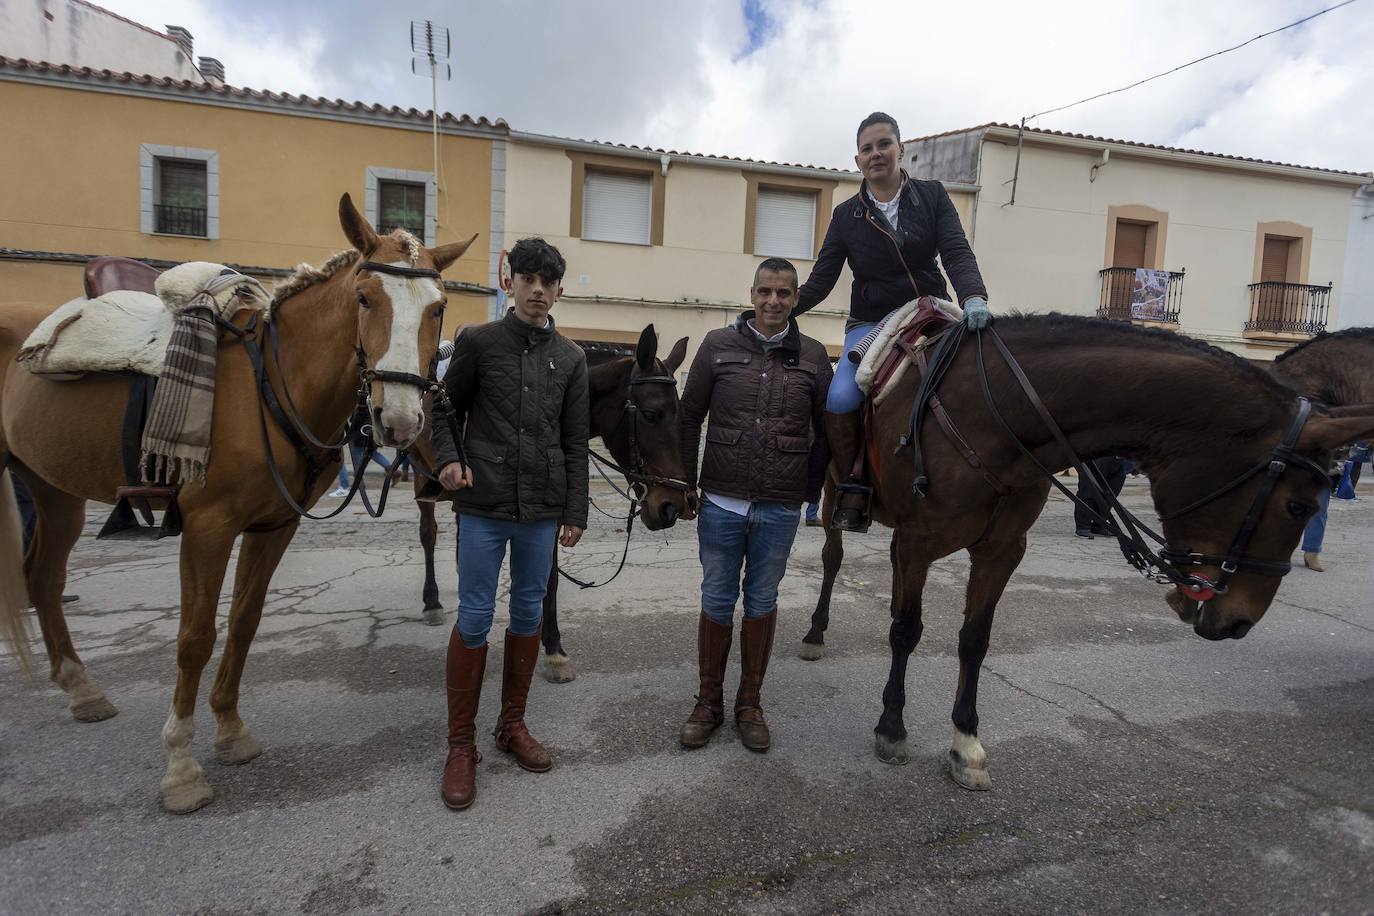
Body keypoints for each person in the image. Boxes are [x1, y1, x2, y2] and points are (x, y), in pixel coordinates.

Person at [430, 237, 589, 811]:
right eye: (528, 279)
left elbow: (575, 441)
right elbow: (445, 410)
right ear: (510, 282)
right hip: (484, 505)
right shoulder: (477, 342)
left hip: (542, 511)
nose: (538, 290)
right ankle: (459, 746)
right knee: (474, 615)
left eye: (548, 282)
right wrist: (448, 458)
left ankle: (511, 725)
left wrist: (575, 512)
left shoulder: (571, 358)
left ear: (559, 290)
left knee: (527, 613)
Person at [792, 112, 991, 532]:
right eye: (867, 149)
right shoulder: (847, 215)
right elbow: (822, 279)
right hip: (873, 321)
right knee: (841, 396)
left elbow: (955, 251)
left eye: (884, 144)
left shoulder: (933, 196)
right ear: (858, 159)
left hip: (930, 312)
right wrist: (779, 310)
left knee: (978, 378)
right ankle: (850, 488)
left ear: (901, 148)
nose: (876, 154)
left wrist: (973, 297)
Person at [677, 257, 832, 752]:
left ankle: (750, 704)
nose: (773, 301)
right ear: (752, 294)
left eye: (784, 294)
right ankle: (707, 703)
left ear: (794, 299)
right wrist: (685, 484)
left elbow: (827, 433)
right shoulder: (718, 346)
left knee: (762, 602)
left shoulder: (811, 355)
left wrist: (808, 491)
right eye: (765, 291)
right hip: (721, 503)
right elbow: (687, 418)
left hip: (779, 509)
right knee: (718, 600)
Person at [328, 404, 392, 497]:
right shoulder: (372, 406)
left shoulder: (360, 407)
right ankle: (390, 468)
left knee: (353, 462)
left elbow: (355, 422)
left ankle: (347, 485)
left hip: (359, 438)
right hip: (370, 437)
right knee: (373, 454)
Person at [1073, 457, 1132, 538]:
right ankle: (1083, 526)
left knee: (1110, 493)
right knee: (1088, 490)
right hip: (1098, 454)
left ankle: (1099, 525)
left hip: (1119, 456)